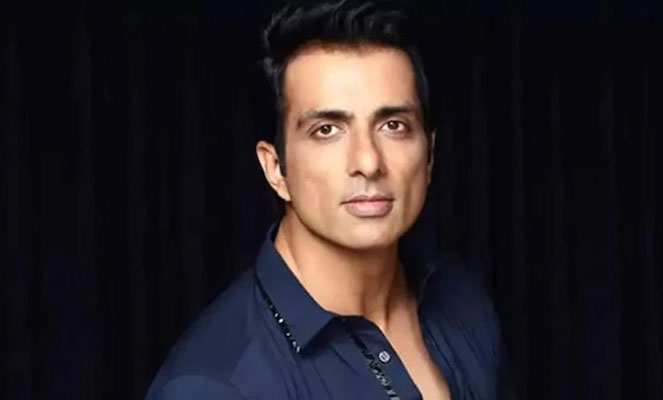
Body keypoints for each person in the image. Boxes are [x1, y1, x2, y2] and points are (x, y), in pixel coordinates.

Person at [146, 0, 516, 398]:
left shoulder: (462, 300)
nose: (368, 162)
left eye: (393, 125)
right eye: (327, 130)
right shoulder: (215, 386)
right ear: (276, 168)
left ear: (429, 155)